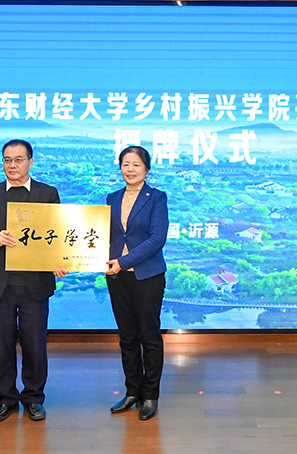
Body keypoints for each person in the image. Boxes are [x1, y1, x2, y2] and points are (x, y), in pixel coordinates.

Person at [0, 139, 66, 422]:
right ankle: (5, 400)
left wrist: (61, 260)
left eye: (19, 159)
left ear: (30, 162)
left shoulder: (48, 193)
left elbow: (59, 233)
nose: (12, 165)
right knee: (1, 346)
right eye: (7, 160)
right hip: (0, 283)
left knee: (35, 345)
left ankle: (34, 398)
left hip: (36, 282)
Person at [104, 146, 169, 421]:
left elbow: (157, 239)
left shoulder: (157, 198)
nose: (130, 169)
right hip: (117, 277)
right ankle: (132, 391)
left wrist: (124, 261)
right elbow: (101, 235)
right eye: (125, 164)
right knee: (127, 337)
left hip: (147, 276)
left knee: (149, 337)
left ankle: (150, 395)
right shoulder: (112, 198)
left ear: (147, 169)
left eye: (136, 164)